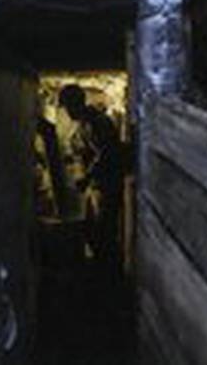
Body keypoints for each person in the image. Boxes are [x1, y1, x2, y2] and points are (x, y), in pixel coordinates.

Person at [57, 84, 124, 273]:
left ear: (77, 103)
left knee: (104, 232)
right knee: (92, 229)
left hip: (105, 185)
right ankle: (100, 270)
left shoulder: (97, 122)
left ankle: (108, 275)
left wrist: (86, 177)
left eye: (69, 106)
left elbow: (106, 153)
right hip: (96, 186)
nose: (67, 112)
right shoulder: (85, 124)